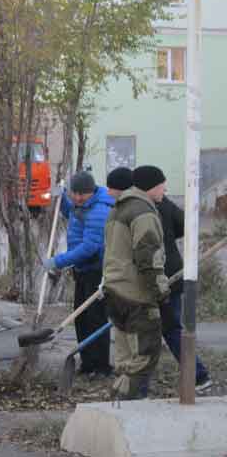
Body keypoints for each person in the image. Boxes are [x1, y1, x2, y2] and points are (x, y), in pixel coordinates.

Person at [103, 165, 170, 399]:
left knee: (125, 358)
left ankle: (117, 408)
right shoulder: (143, 212)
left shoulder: (118, 209)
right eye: (163, 184)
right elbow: (148, 256)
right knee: (144, 355)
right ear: (152, 186)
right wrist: (160, 291)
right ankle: (130, 405)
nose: (165, 188)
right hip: (136, 295)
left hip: (114, 289)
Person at [148, 168, 212, 392]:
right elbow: (182, 225)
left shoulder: (154, 205)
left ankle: (199, 375)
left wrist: (165, 238)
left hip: (164, 276)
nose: (165, 189)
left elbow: (185, 224)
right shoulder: (158, 205)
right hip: (169, 273)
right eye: (162, 185)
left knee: (171, 327)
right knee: (168, 327)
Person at [45, 171, 114, 377]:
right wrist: (61, 200)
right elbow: (72, 213)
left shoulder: (100, 210)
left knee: (96, 319)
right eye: (73, 193)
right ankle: (87, 363)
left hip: (97, 270)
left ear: (91, 192)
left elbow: (90, 247)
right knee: (81, 317)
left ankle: (101, 366)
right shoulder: (81, 204)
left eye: (80, 195)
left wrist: (59, 261)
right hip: (83, 269)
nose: (76, 198)